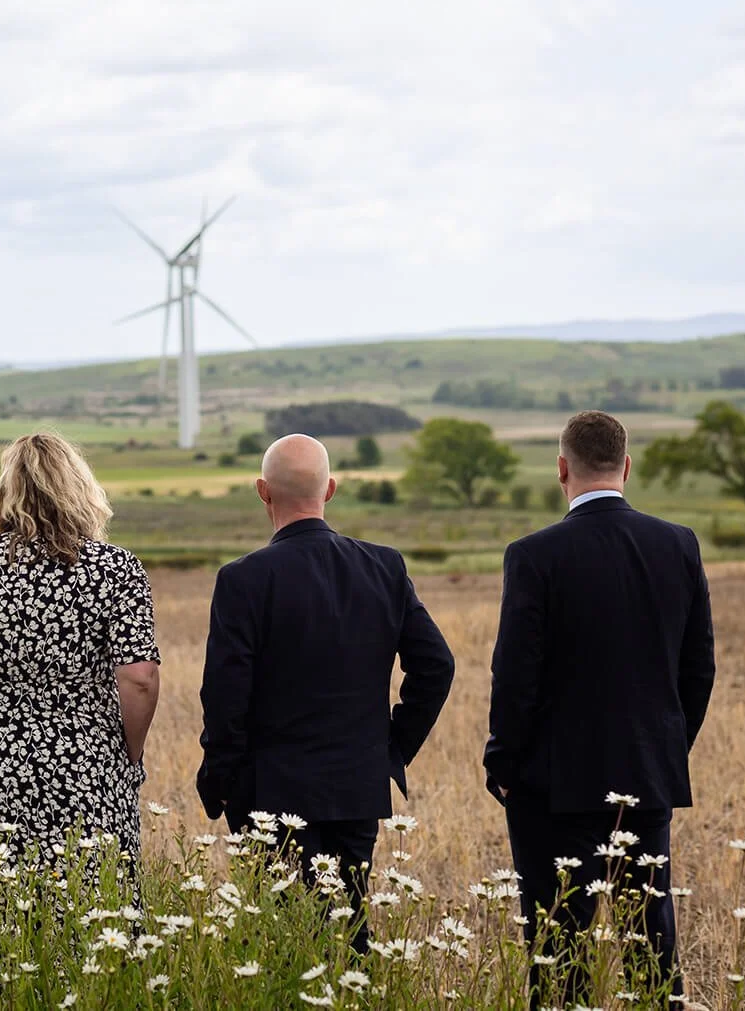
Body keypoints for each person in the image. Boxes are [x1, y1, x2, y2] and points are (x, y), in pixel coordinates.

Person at [485, 411, 716, 1008]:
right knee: (651, 941)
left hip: (551, 785)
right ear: (627, 466)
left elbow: (515, 676)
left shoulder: (533, 555)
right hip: (647, 774)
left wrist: (504, 763)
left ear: (561, 469)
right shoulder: (678, 543)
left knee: (559, 948)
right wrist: (663, 748)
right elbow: (699, 670)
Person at [196, 433, 455, 947]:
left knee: (281, 945)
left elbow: (225, 695)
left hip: (267, 793)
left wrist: (221, 775)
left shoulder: (243, 580)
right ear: (330, 489)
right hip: (355, 788)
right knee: (348, 933)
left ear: (262, 492)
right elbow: (436, 667)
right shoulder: (384, 567)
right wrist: (388, 748)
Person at [0, 431, 161, 875]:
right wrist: (129, 754)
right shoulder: (117, 569)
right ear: (78, 490)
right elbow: (140, 677)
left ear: (5, 491)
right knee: (90, 904)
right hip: (88, 762)